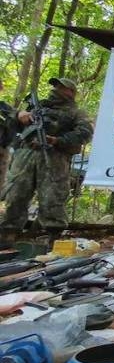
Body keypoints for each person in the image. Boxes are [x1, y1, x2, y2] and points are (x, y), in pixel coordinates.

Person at [0, 78, 93, 247]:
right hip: (25, 156)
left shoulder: (76, 113)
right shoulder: (37, 108)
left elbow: (85, 133)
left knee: (53, 197)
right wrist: (19, 116)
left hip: (54, 158)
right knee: (16, 194)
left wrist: (57, 140)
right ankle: (9, 234)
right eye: (55, 86)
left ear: (71, 92)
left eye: (61, 87)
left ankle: (51, 236)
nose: (55, 89)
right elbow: (12, 126)